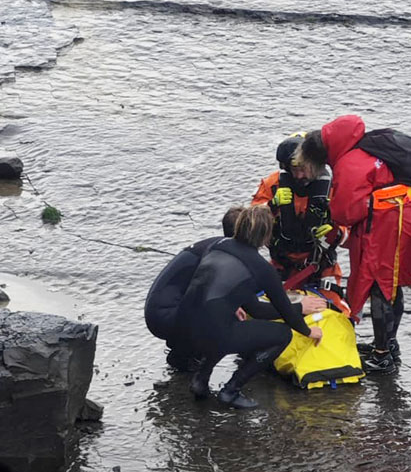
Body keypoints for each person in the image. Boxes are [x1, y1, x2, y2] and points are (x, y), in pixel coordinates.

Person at [296, 116, 411, 374]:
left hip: (384, 225)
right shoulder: (365, 147)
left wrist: (331, 222)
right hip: (404, 213)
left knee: (378, 283)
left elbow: (345, 212)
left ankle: (382, 355)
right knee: (392, 281)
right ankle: (389, 344)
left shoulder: (349, 164)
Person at [175, 205, 326, 409]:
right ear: (266, 237)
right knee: (283, 334)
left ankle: (200, 381)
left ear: (240, 225)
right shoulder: (262, 268)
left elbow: (226, 293)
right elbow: (277, 313)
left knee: (224, 321)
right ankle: (231, 390)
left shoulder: (217, 245)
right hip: (210, 333)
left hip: (182, 327)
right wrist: (308, 330)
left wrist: (232, 306)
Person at [251, 135, 349, 315]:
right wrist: (271, 206)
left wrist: (335, 232)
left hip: (321, 266)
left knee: (337, 312)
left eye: (303, 169)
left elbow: (350, 230)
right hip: (280, 265)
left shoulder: (333, 187)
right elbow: (250, 223)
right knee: (260, 306)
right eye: (294, 169)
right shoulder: (273, 185)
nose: (299, 175)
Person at [145, 207, 242, 371]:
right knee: (223, 315)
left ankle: (182, 348)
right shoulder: (221, 252)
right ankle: (183, 355)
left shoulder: (213, 244)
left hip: (156, 311)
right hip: (163, 317)